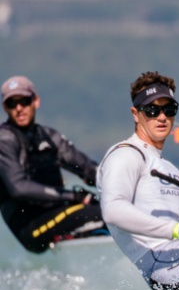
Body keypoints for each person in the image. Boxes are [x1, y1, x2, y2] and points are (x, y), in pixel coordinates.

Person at [96, 71, 179, 290]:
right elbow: (113, 210)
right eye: (152, 110)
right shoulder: (126, 155)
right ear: (136, 114)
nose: (162, 117)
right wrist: (175, 230)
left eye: (169, 110)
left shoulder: (173, 170)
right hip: (163, 268)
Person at [0, 75, 105, 253]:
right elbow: (19, 188)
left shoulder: (49, 137)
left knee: (113, 208)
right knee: (104, 212)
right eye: (12, 103)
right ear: (5, 108)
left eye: (24, 101)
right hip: (31, 228)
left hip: (60, 214)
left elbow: (88, 169)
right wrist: (72, 196)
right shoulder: (5, 140)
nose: (19, 108)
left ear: (35, 101)